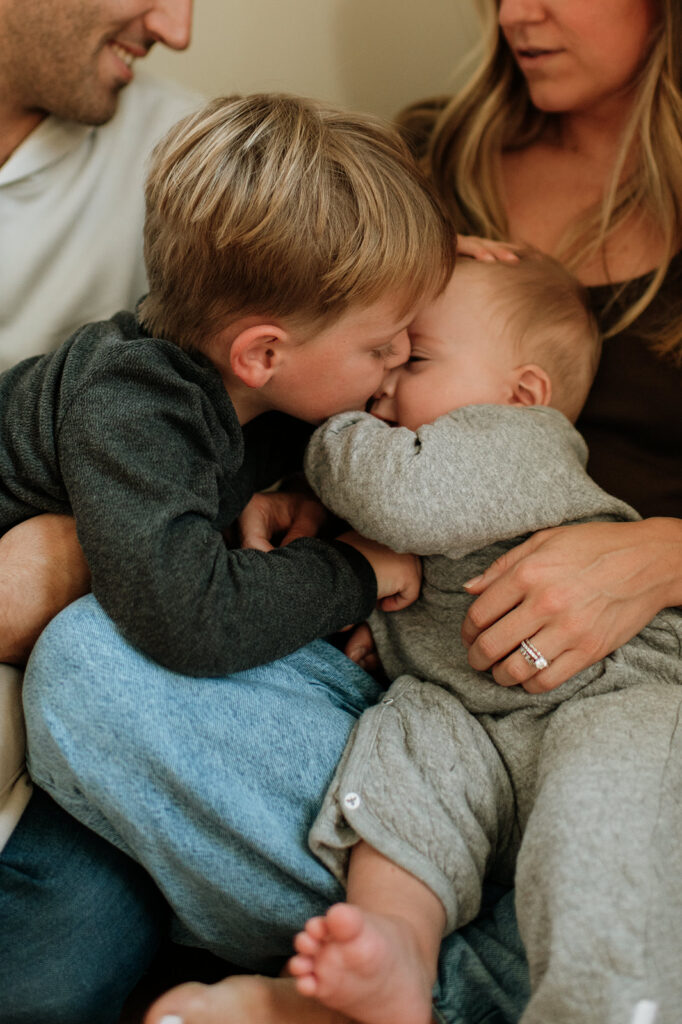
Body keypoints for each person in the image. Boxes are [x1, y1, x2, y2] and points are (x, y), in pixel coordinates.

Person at [17, 1, 682, 1024]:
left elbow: (350, 419)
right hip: (426, 683)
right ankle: (402, 969)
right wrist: (322, 527)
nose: (518, 11)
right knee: (94, 670)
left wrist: (662, 553)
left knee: (605, 812)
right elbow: (314, 354)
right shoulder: (415, 161)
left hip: (615, 683)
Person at [285, 253, 682, 1024]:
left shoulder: (520, 440)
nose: (383, 382)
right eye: (383, 356)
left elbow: (404, 500)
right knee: (404, 747)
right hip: (470, 715)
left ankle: (610, 1000)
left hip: (613, 690)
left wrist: (321, 397)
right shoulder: (445, 444)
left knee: (609, 811)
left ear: (523, 390)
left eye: (416, 358)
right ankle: (398, 941)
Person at [0, 91, 456, 678]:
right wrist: (355, 569)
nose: (400, 353)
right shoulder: (134, 406)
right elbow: (190, 619)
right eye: (379, 345)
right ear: (263, 354)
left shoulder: (264, 386)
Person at [0, 2, 203, 1021]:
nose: (178, 26)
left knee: (49, 982)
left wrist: (81, 555)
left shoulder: (193, 161)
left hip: (70, 697)